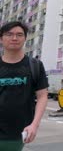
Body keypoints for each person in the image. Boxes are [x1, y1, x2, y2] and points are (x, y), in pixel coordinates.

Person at [0, 21, 49, 150]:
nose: (14, 38)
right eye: (9, 34)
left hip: (19, 133)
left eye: (19, 34)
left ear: (25, 38)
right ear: (1, 39)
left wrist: (34, 125)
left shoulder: (35, 66)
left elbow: (42, 96)